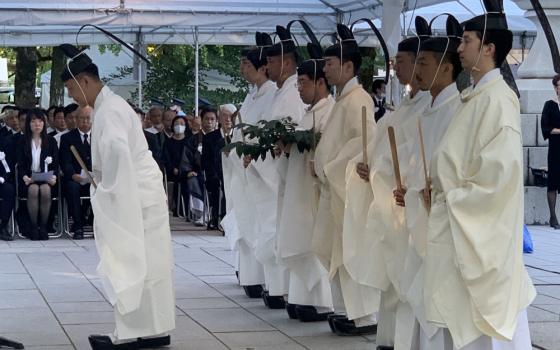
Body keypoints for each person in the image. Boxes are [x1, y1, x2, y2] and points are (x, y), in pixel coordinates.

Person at [421, 3, 536, 348]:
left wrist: (452, 197)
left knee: (482, 321)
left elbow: (498, 180)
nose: (458, 47)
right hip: (456, 218)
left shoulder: (498, 101)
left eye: (466, 40)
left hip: (474, 223)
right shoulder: (475, 97)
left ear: (488, 48)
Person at [60, 43, 175, 349]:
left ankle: (131, 335)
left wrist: (106, 193)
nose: (71, 96)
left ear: (85, 81)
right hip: (141, 191)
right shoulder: (111, 106)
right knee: (149, 264)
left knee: (131, 262)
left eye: (71, 88)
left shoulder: (109, 111)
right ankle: (152, 329)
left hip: (133, 194)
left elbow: (119, 159)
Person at [385, 15, 463, 350]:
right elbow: (419, 158)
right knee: (416, 288)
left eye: (423, 62)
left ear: (446, 68)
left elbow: (451, 165)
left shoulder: (458, 108)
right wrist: (408, 185)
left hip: (442, 217)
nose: (417, 70)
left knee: (438, 295)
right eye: (415, 61)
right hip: (419, 211)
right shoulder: (429, 108)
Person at [312, 23, 377, 336]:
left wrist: (332, 167)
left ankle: (362, 315)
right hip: (334, 189)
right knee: (336, 251)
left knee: (350, 252)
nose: (326, 69)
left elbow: (363, 145)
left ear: (348, 66)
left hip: (347, 189)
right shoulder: (342, 99)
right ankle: (343, 310)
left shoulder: (360, 99)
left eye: (330, 64)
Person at [248, 26, 306, 309]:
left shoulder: (294, 92)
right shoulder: (279, 92)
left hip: (281, 171)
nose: (267, 66)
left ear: (286, 62)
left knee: (280, 231)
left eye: (271, 61)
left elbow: (293, 133)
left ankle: (284, 290)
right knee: (271, 229)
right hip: (268, 171)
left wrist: (271, 150)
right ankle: (278, 287)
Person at [276, 43, 335, 322]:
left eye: (302, 82)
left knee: (315, 243)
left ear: (320, 83)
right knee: (300, 239)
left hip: (315, 190)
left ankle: (322, 302)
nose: (298, 88)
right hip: (298, 190)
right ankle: (302, 297)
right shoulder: (308, 113)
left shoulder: (329, 111)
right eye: (297, 82)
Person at [223, 41, 276, 299]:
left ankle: (266, 280)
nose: (242, 69)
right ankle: (250, 277)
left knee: (262, 226)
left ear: (262, 67)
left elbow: (266, 131)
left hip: (259, 168)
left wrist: (252, 155)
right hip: (243, 166)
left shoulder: (272, 93)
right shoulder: (251, 95)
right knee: (246, 223)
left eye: (246, 64)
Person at [16, 109, 59, 241]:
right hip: (28, 180)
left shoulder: (51, 141)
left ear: (44, 124)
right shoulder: (22, 141)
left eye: (40, 121)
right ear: (29, 124)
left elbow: (56, 164)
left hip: (46, 179)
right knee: (34, 189)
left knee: (45, 190)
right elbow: (20, 165)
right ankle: (34, 227)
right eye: (33, 121)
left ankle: (43, 226)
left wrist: (54, 177)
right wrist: (24, 177)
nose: (37, 124)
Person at [59, 106, 93, 240]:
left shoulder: (99, 136)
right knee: (72, 188)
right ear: (76, 120)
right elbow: (65, 161)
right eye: (81, 118)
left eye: (88, 118)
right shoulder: (67, 138)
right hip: (75, 177)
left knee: (103, 187)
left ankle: (97, 224)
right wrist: (73, 175)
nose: (85, 121)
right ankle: (78, 226)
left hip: (94, 177)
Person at [202, 104, 235, 231]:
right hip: (215, 174)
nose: (227, 119)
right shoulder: (209, 138)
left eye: (230, 116)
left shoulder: (238, 136)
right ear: (219, 118)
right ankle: (217, 216)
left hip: (234, 173)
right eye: (224, 116)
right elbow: (206, 160)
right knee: (217, 184)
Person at [540, 73, 560, 229]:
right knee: (553, 181)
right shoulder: (549, 105)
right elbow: (545, 128)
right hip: (555, 149)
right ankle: (553, 217)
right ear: (555, 87)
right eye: (558, 86)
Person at [163, 116, 189, 217]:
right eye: (177, 124)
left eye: (182, 124)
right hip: (172, 171)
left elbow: (190, 157)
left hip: (186, 169)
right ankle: (177, 209)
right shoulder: (168, 142)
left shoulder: (189, 141)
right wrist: (173, 168)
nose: (179, 126)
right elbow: (166, 158)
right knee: (178, 181)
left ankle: (187, 209)